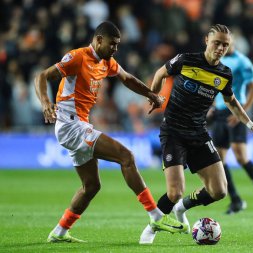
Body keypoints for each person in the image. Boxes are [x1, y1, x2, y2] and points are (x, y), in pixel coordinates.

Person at [34, 21, 188, 243]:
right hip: (71, 124)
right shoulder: (78, 57)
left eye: (117, 45)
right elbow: (42, 76)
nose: (115, 48)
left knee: (91, 186)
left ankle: (59, 232)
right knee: (127, 157)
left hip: (79, 124)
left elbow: (127, 79)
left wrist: (151, 95)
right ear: (98, 40)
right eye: (112, 44)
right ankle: (155, 215)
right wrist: (46, 102)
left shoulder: (106, 62)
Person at [139, 24, 253, 244]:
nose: (221, 48)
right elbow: (160, 73)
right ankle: (151, 227)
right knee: (173, 192)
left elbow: (231, 101)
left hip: (199, 134)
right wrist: (154, 96)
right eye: (217, 43)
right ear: (206, 41)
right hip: (173, 132)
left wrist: (250, 124)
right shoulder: (185, 60)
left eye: (225, 45)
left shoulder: (224, 74)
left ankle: (183, 207)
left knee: (220, 191)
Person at [209, 37, 253, 215]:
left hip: (236, 114)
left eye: (227, 44)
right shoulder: (216, 59)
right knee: (219, 162)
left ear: (233, 44)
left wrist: (241, 112)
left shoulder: (242, 62)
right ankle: (236, 200)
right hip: (220, 115)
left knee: (241, 157)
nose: (223, 47)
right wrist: (212, 106)